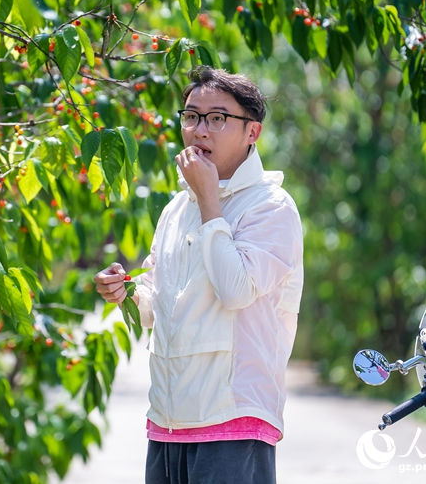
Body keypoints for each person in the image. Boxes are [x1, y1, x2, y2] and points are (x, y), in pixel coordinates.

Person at [93, 65, 304, 484]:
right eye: (191, 116)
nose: (200, 130)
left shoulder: (271, 207)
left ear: (252, 133)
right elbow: (157, 305)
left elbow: (235, 291)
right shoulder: (176, 209)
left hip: (235, 420)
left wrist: (210, 199)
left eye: (218, 118)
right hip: (170, 422)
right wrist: (124, 291)